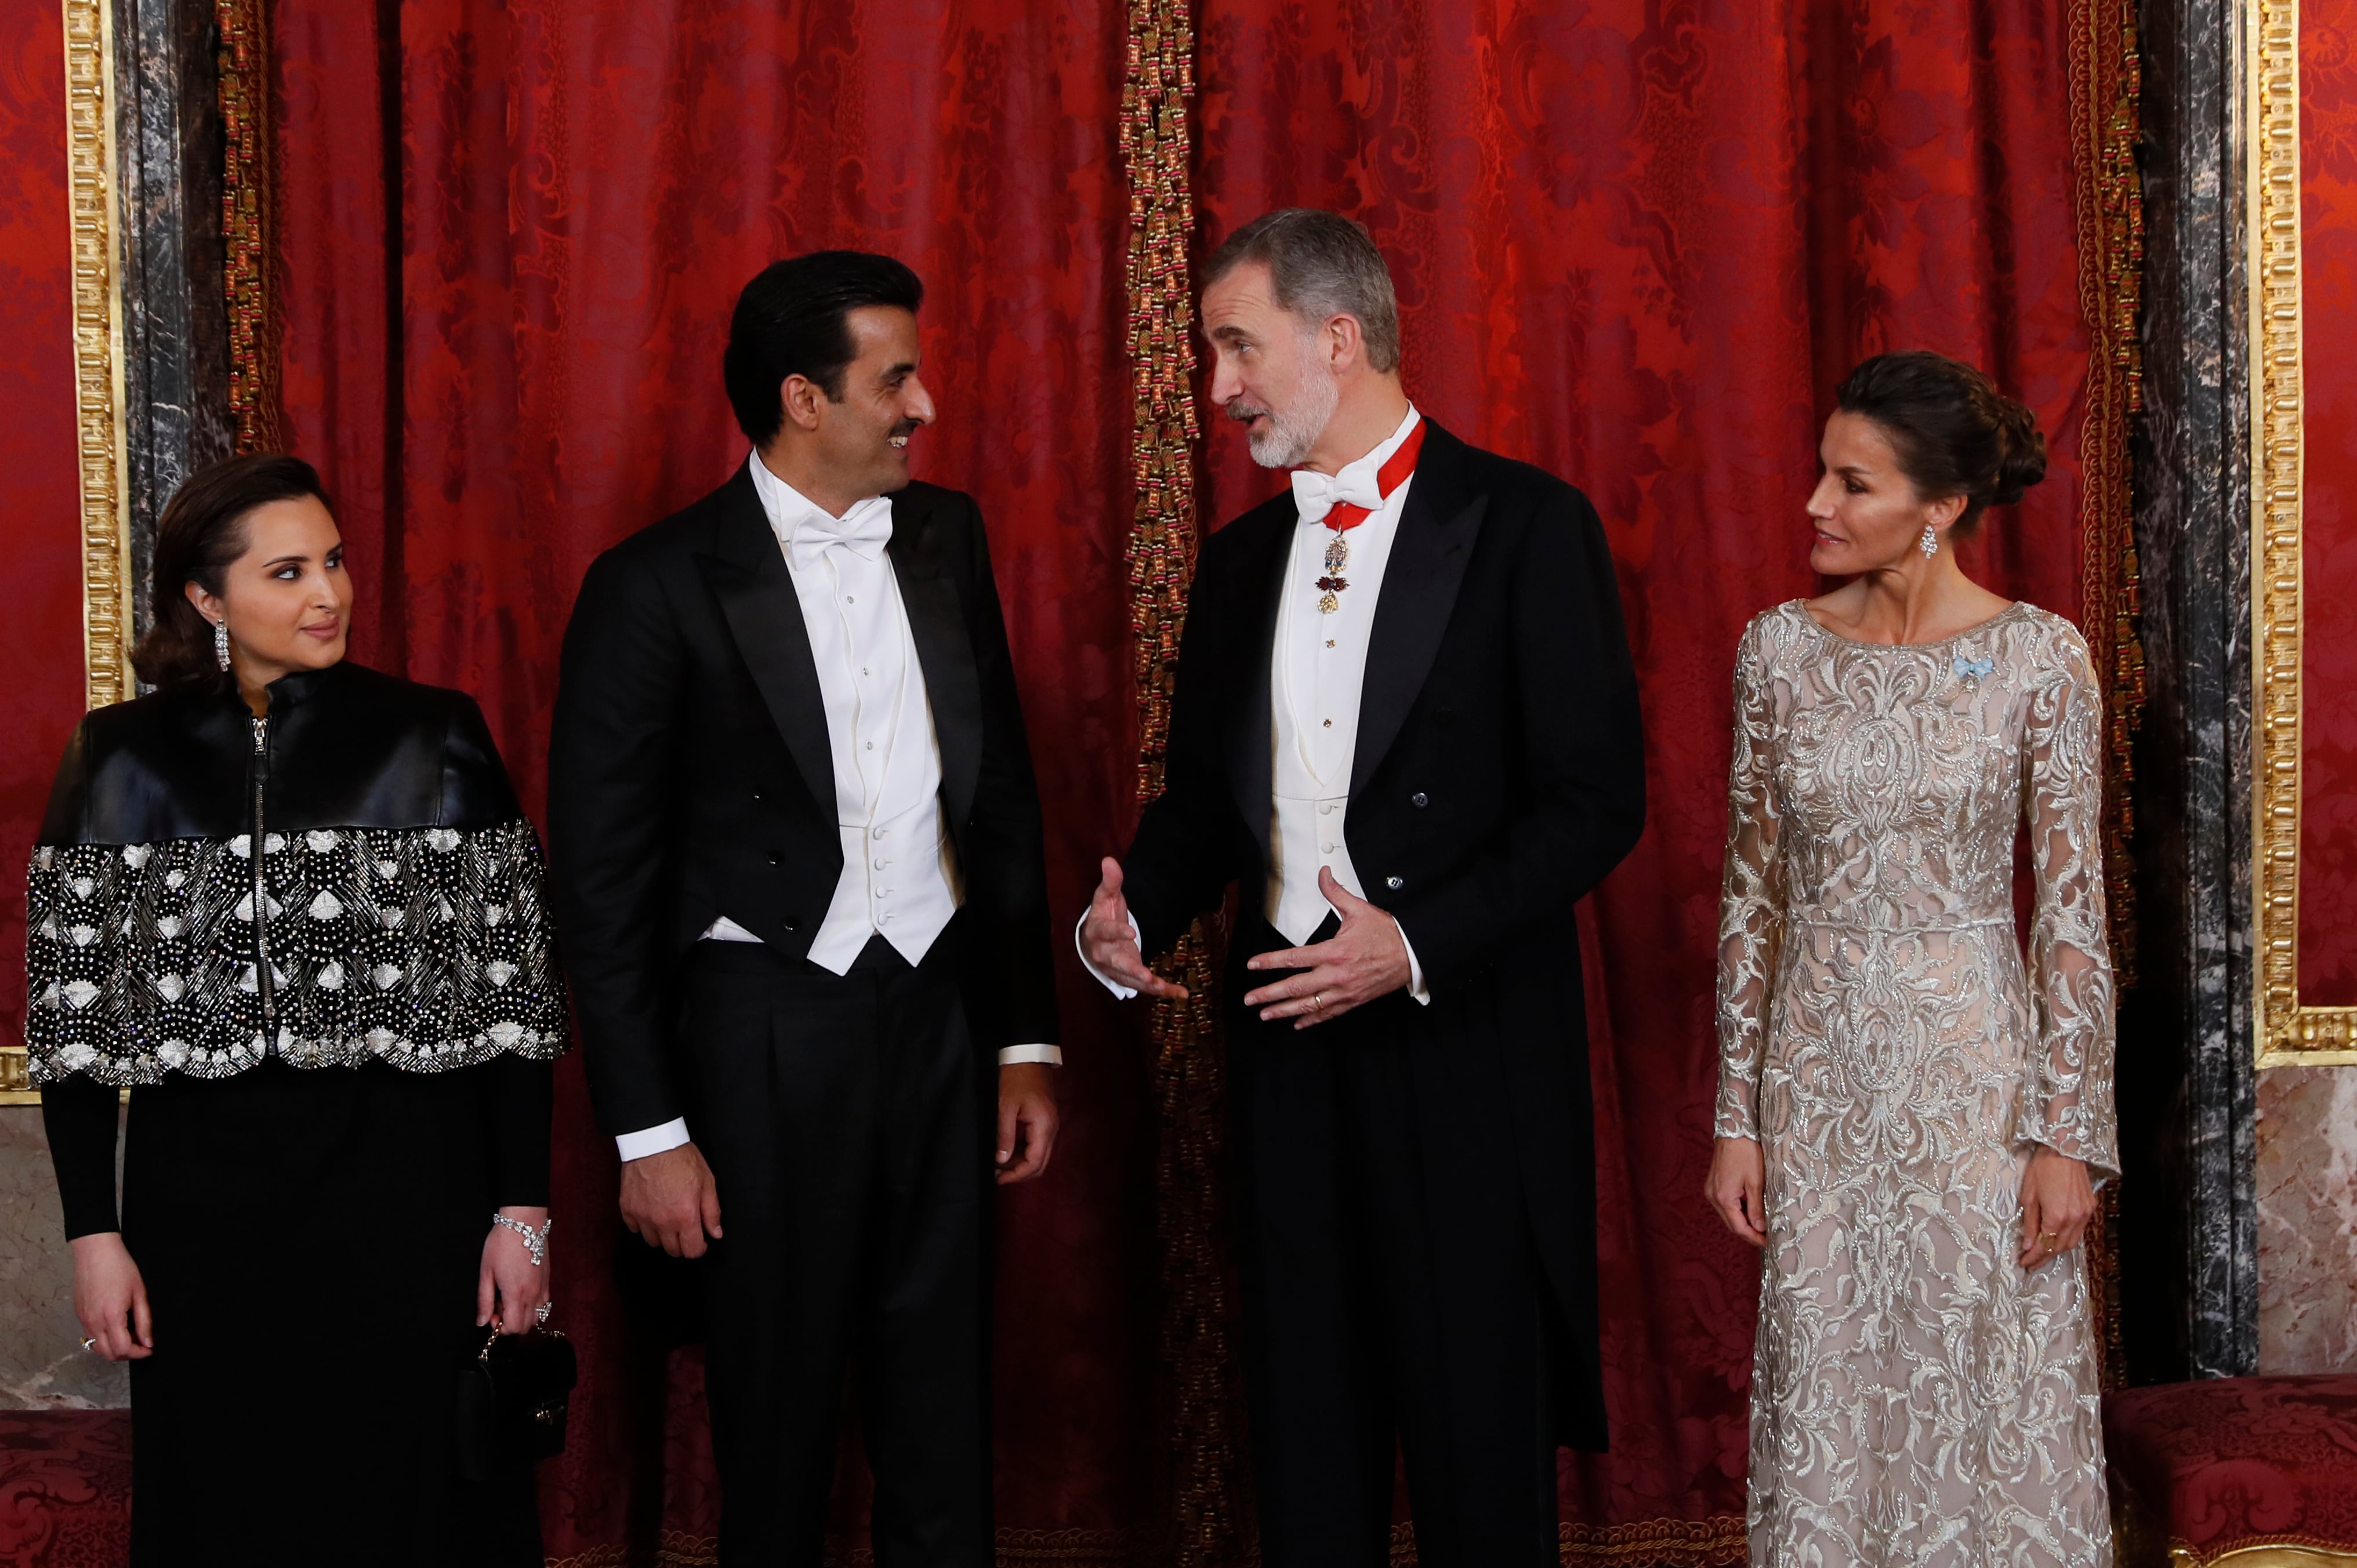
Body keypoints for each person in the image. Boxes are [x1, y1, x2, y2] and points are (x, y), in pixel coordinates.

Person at [1077, 209, 1646, 1565]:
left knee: (1475, 1464)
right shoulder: (1235, 563)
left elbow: (1596, 803)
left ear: (1340, 335)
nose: (1220, 388)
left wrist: (1418, 939)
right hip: (1284, 1055)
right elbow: (1209, 806)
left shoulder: (1523, 525)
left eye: (1238, 346)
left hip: (1462, 1060)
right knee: (1307, 1447)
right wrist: (1131, 914)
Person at [547, 251, 1061, 1566]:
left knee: (942, 1410)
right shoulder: (653, 583)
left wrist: (1022, 1037)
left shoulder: (948, 537)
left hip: (938, 1019)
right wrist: (648, 1129)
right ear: (800, 397)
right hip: (759, 1031)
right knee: (769, 1423)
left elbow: (998, 799)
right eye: (895, 378)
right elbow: (600, 886)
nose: (924, 403)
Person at [28, 453, 567, 1567]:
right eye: (287, 572)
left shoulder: (439, 737)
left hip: (410, 1201)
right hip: (205, 1217)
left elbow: (519, 1005)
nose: (328, 594)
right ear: (206, 598)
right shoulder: (118, 759)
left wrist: (522, 1215)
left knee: (419, 1510)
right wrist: (95, 1231)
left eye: (333, 561)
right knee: (233, 1507)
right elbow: (74, 1030)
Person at [1703, 351, 2115, 1565]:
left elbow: (2074, 911)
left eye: (1853, 483)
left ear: (1937, 509)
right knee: (1834, 1385)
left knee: (1984, 1379)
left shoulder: (2042, 659)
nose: (1817, 506)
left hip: (1975, 1086)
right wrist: (1738, 1114)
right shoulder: (1776, 650)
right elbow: (1750, 896)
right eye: (1821, 475)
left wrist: (2064, 1132)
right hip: (1819, 1080)